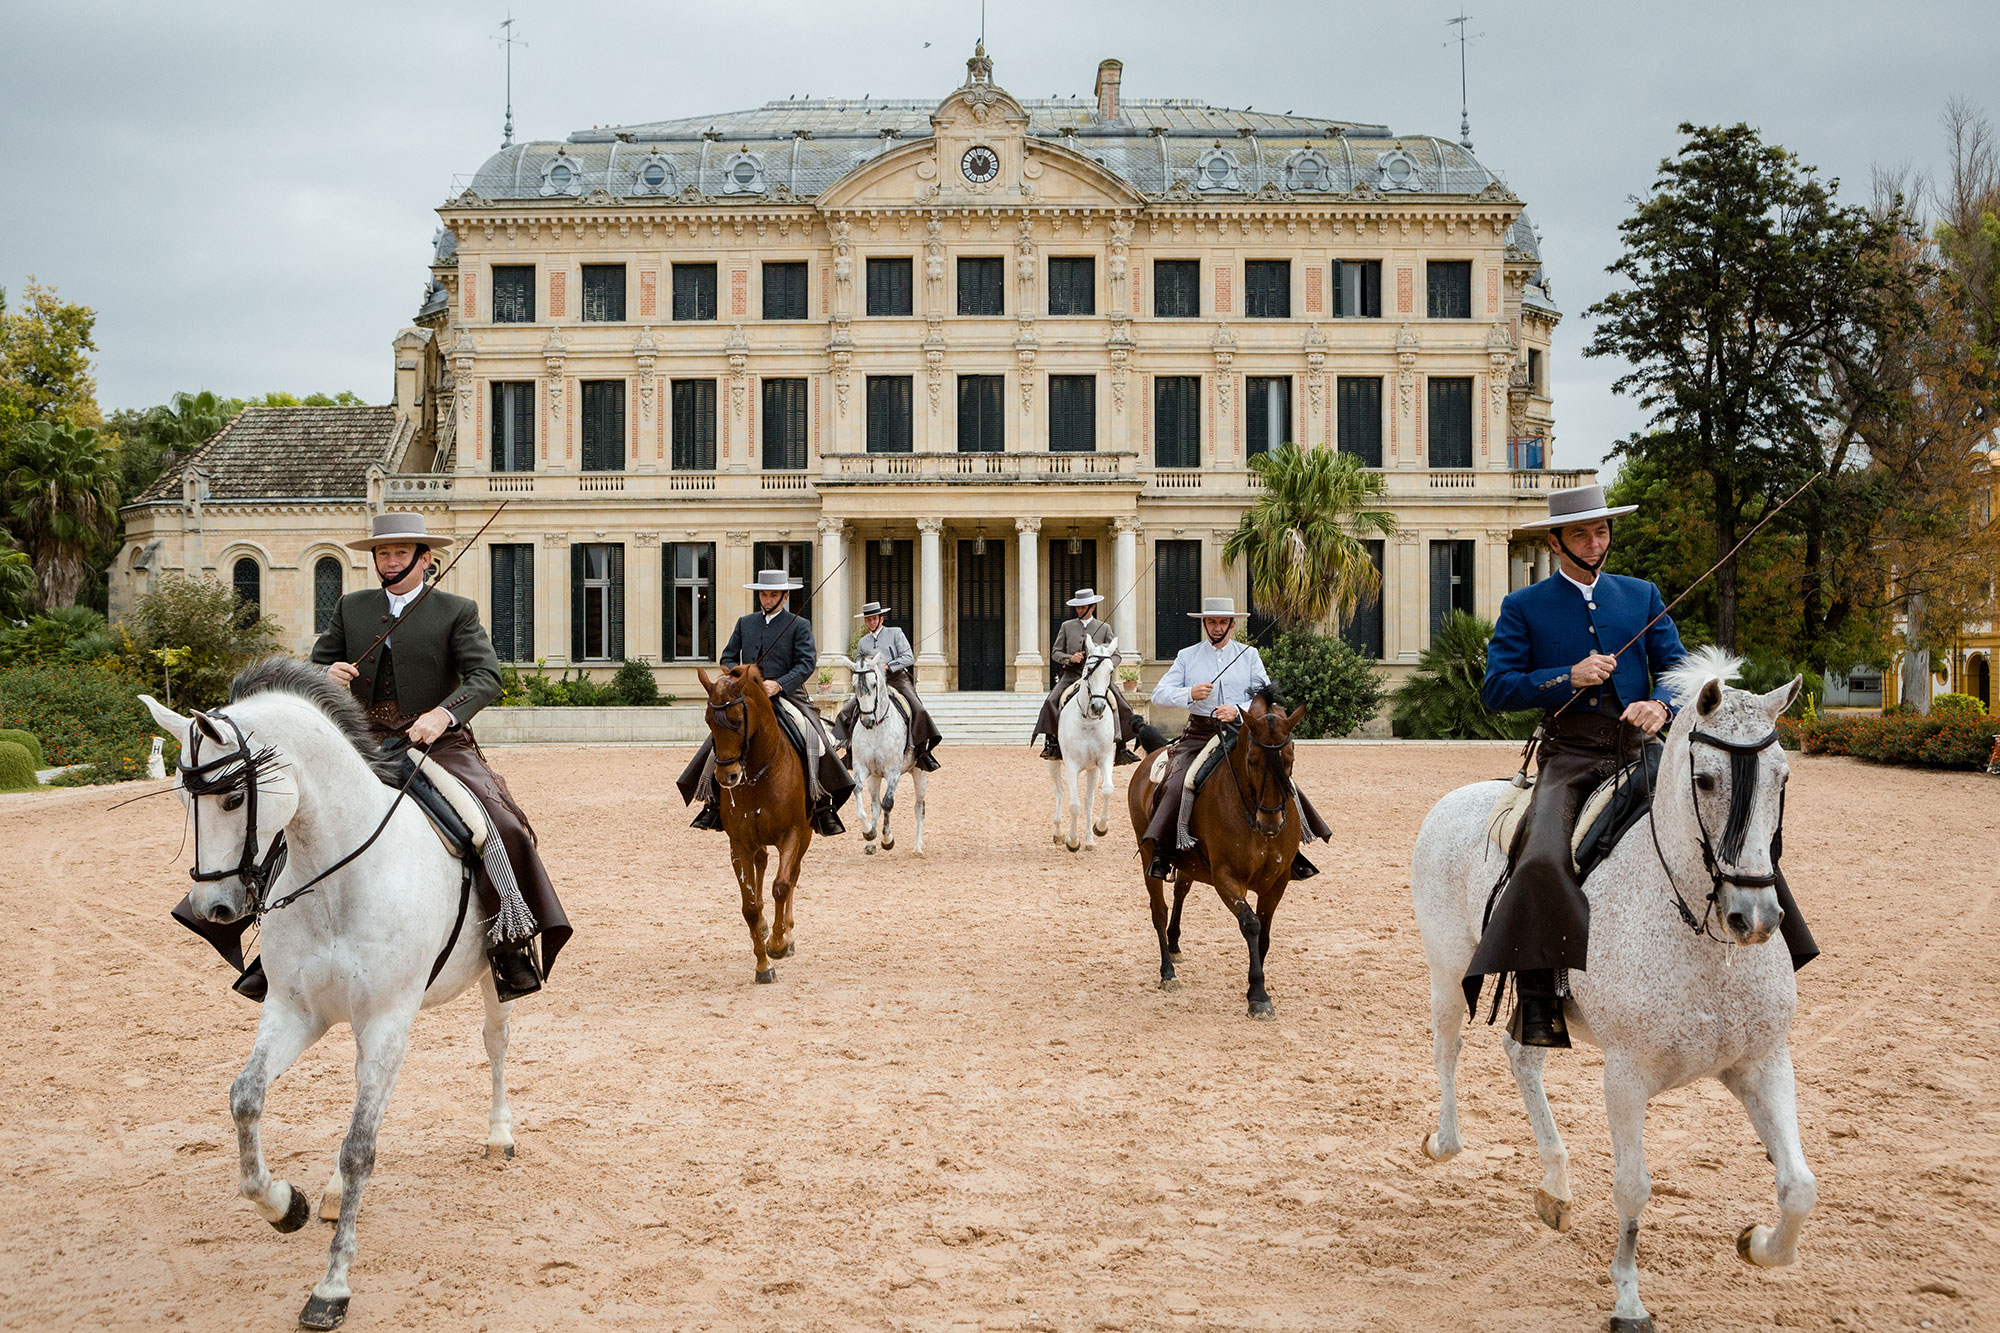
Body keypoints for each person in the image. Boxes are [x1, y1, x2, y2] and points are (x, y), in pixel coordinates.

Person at [171, 512, 570, 1005]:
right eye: (383, 552)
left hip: (435, 743)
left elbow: (485, 678)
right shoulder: (351, 607)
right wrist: (325, 674)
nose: (390, 560)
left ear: (425, 559)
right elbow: (313, 668)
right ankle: (267, 945)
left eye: (401, 552)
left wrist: (443, 715)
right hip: (357, 743)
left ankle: (509, 941)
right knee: (283, 814)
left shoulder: (456, 610)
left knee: (496, 824)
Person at [1473, 483, 1818, 1048]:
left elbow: (1679, 670)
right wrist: (1568, 676)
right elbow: (1498, 689)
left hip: (1643, 751)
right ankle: (1539, 997)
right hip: (1572, 756)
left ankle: (1779, 944)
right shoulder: (1523, 607)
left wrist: (1662, 704)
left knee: (1729, 823)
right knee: (1539, 856)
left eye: (1601, 531)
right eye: (1581, 533)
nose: (1593, 542)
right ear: (1557, 541)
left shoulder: (1641, 594)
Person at [1141, 597, 1332, 881]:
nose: (1216, 628)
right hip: (1200, 733)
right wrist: (1189, 694)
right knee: (1180, 782)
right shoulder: (1187, 656)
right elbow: (1159, 694)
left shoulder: (1249, 655)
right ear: (1204, 624)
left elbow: (1265, 698)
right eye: (1211, 622)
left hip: (1243, 733)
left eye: (1222, 622)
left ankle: (1293, 851)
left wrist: (1238, 711)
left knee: (1280, 776)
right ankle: (1164, 852)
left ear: (1232, 625)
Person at [676, 568, 856, 836]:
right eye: (763, 594)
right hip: (746, 697)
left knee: (813, 737)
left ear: (784, 597)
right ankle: (712, 803)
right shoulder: (745, 623)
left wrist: (779, 683)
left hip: (786, 694)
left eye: (773, 595)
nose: (767, 599)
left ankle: (822, 805)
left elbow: (806, 663)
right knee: (720, 738)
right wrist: (737, 676)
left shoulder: (799, 625)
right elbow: (726, 658)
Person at [1031, 587, 1153, 764]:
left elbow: (1117, 655)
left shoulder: (1104, 628)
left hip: (1098, 678)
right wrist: (1069, 658)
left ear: (1092, 607)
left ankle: (1121, 747)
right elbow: (1055, 652)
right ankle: (1053, 743)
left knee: (1120, 703)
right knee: (1052, 700)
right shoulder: (1067, 626)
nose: (1079, 610)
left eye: (1083, 607)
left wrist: (1104, 665)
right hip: (1072, 674)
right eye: (1078, 607)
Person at [831, 601, 941, 771]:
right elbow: (861, 664)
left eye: (874, 619)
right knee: (847, 711)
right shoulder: (863, 642)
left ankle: (922, 752)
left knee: (918, 709)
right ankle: (850, 748)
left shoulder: (895, 633)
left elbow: (908, 657)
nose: (871, 623)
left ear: (881, 619)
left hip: (896, 679)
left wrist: (888, 666)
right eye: (868, 620)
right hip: (873, 684)